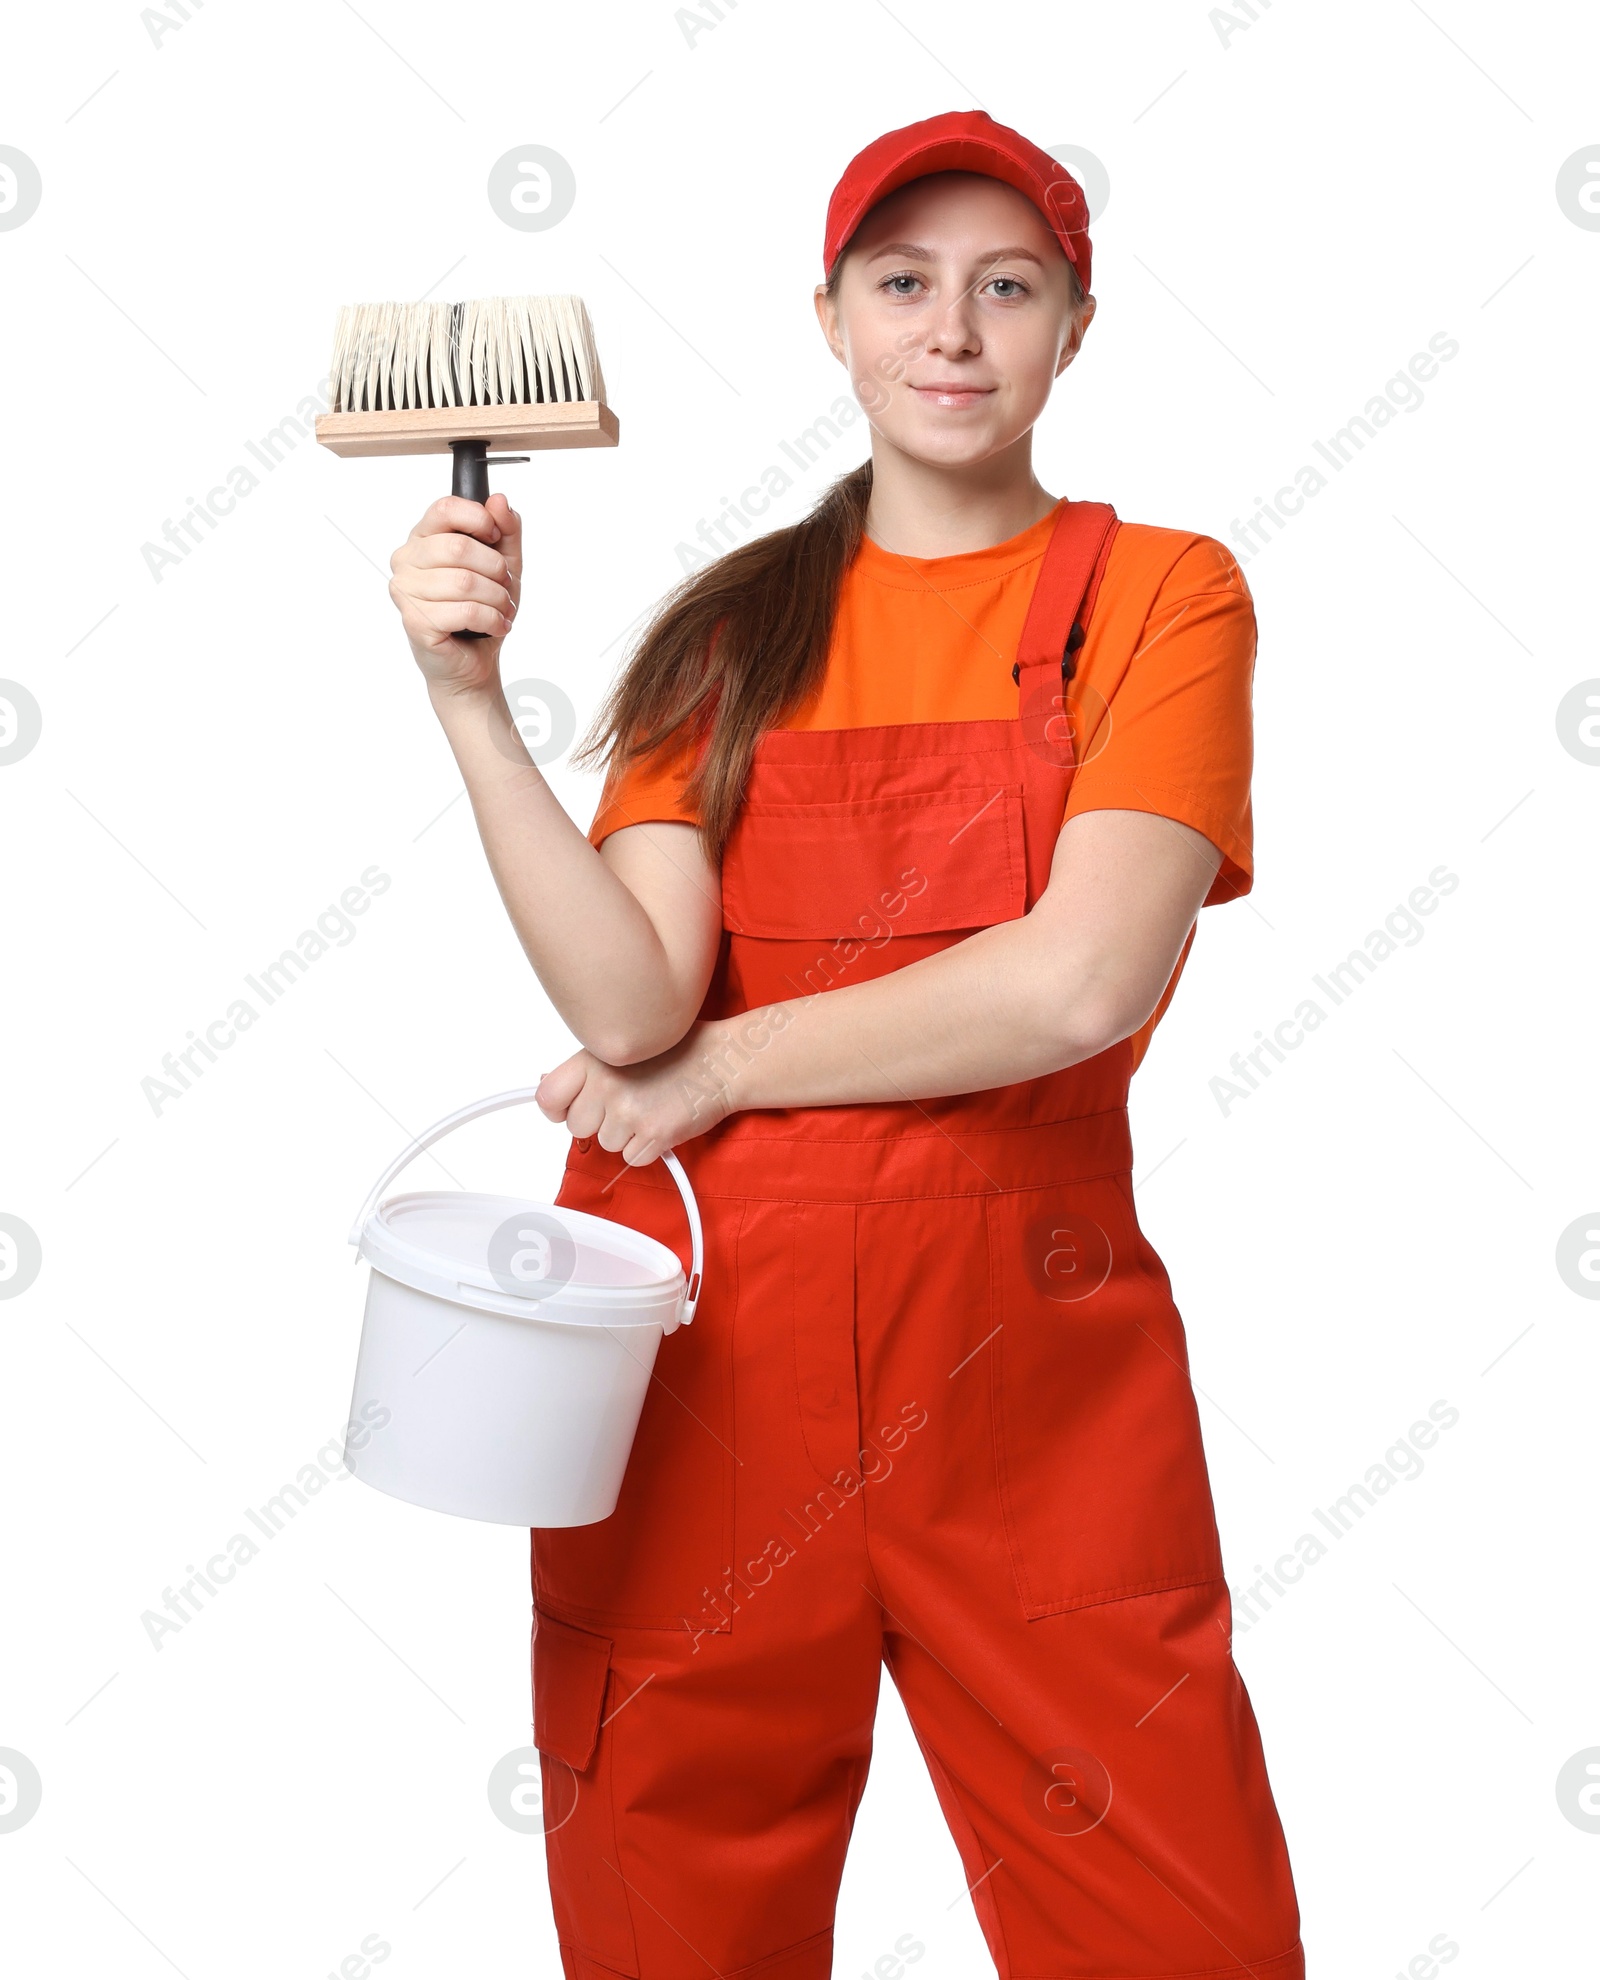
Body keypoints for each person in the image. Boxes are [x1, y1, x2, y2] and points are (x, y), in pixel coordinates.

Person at [387, 106, 1303, 1980]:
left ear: (1074, 327)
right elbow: (634, 1001)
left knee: (1176, 1928)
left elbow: (1078, 981)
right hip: (707, 1345)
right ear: (832, 319)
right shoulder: (732, 637)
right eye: (904, 283)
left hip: (1028, 1373)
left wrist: (724, 1069)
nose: (951, 329)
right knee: (674, 1919)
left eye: (1006, 286)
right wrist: (470, 706)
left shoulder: (1162, 595)